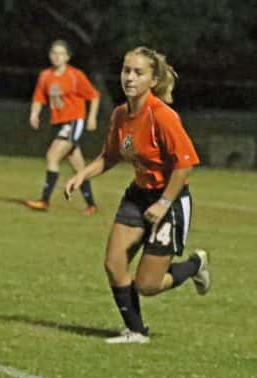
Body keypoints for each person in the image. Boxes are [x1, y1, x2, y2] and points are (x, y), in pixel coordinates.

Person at [65, 47, 211, 344]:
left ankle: (195, 265)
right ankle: (136, 331)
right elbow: (109, 156)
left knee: (147, 284)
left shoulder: (163, 116)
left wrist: (163, 203)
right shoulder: (121, 114)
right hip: (137, 195)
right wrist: (82, 175)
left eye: (138, 72)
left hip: (169, 200)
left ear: (153, 79)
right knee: (114, 263)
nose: (129, 78)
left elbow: (185, 166)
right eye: (126, 70)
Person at [26, 40, 100, 216]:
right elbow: (38, 97)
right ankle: (91, 204)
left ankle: (44, 201)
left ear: (67, 57)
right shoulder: (45, 76)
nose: (56, 56)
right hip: (58, 123)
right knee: (79, 167)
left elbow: (94, 96)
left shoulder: (75, 75)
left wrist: (91, 118)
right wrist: (34, 114)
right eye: (53, 53)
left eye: (61, 53)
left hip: (73, 121)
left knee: (52, 155)